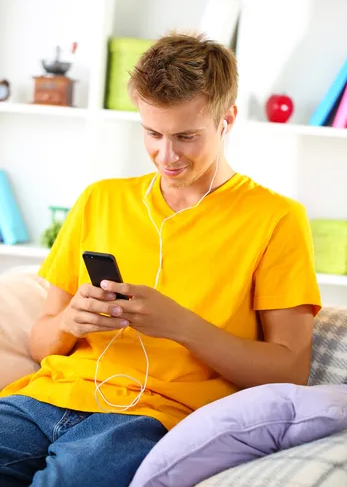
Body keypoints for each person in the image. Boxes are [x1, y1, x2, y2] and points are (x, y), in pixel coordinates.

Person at [0, 32, 321, 487]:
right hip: (42, 400)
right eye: (153, 133)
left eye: (186, 136)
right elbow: (41, 342)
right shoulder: (100, 199)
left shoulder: (276, 219)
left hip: (152, 417)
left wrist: (181, 325)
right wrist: (72, 320)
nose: (166, 156)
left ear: (227, 119)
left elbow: (290, 370)